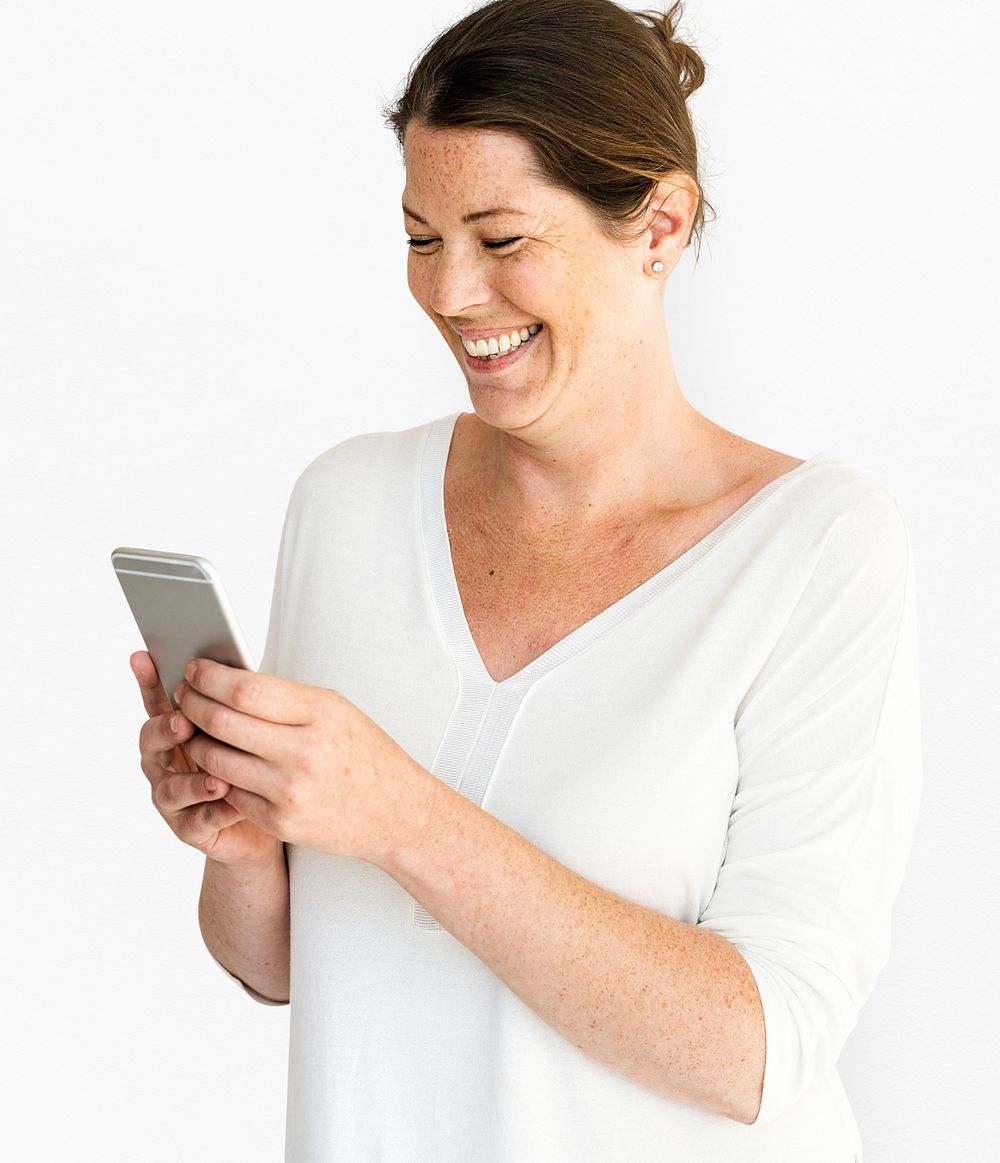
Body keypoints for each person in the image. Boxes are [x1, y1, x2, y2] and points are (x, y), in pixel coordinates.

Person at [130, 1, 922, 1159]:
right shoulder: (347, 505)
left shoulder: (813, 548)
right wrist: (244, 846)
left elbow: (760, 1048)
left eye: (500, 240)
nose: (451, 293)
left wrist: (400, 814)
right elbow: (294, 966)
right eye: (418, 236)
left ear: (659, 224)